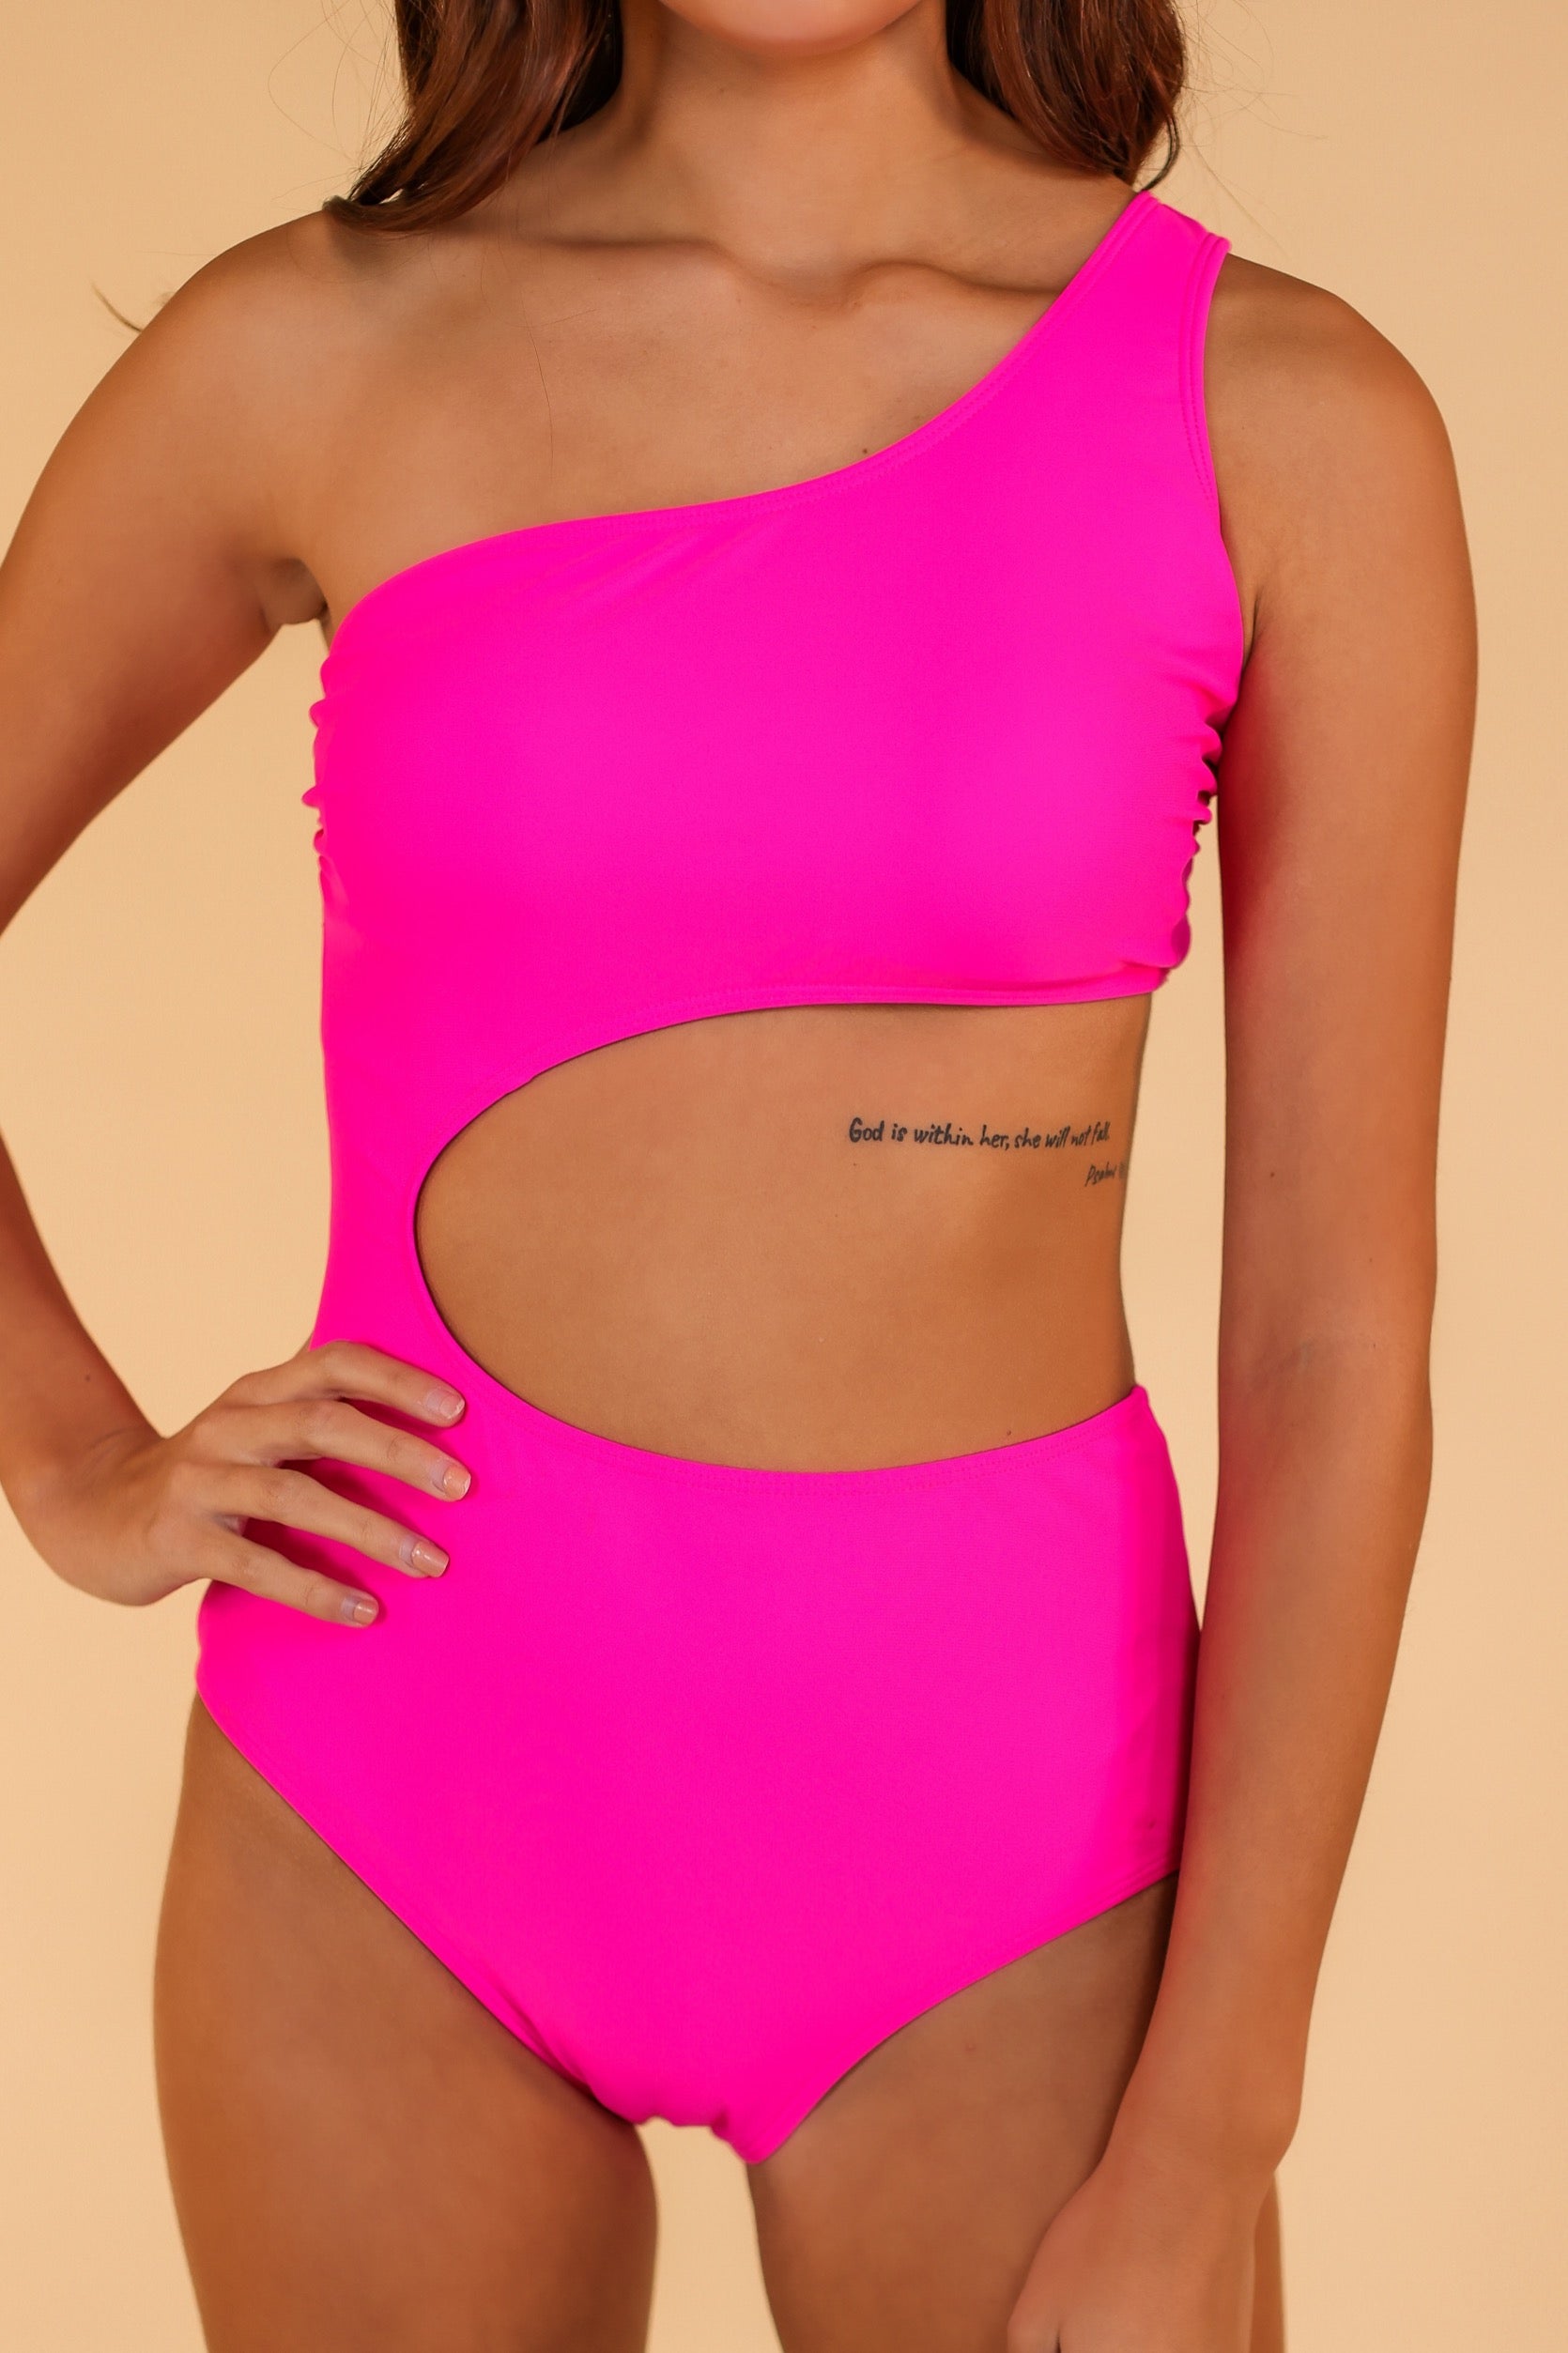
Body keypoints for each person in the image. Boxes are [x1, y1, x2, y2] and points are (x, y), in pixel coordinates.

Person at [0, 0, 1473, 2345]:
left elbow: (1330, 1338)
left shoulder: (1282, 416)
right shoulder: (316, 347)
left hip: (1002, 1853)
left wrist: (1214, 2126)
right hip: (385, 1793)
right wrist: (73, 1458)